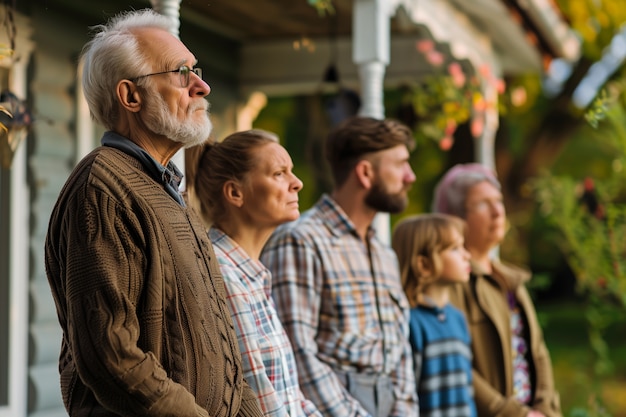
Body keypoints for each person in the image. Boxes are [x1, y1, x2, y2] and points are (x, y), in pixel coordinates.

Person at [44, 9, 263, 417]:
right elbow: (112, 356)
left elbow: (223, 357)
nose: (202, 85)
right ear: (131, 96)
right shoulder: (103, 189)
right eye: (181, 73)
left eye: (196, 69)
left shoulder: (168, 189)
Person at [260, 116, 419, 417]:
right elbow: (297, 352)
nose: (410, 176)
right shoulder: (300, 240)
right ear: (365, 172)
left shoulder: (386, 256)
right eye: (400, 164)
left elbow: (400, 352)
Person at [186, 129, 323, 417]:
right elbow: (257, 394)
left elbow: (292, 398)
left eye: (292, 172)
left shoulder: (251, 276)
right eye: (278, 174)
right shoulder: (222, 275)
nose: (296, 183)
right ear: (235, 192)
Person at [432, 163, 562, 417]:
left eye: (498, 201)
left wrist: (545, 409)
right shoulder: (449, 285)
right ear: (455, 218)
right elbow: (457, 366)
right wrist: (514, 414)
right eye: (482, 204)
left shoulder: (510, 280)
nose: (497, 212)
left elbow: (538, 352)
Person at [391, 213, 476, 417]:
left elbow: (467, 390)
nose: (467, 255)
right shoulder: (409, 322)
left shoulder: (457, 319)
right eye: (455, 249)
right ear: (424, 264)